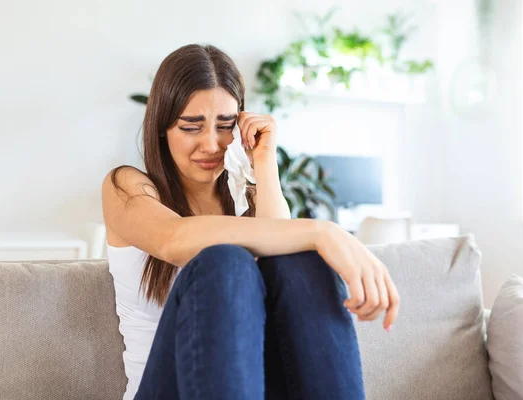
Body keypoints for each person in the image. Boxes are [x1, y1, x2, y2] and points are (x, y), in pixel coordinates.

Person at [101, 43, 400, 400]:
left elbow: (284, 267)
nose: (212, 144)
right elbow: (173, 239)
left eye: (225, 125)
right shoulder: (127, 187)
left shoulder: (247, 199)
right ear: (162, 128)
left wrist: (265, 160)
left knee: (297, 259)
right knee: (224, 259)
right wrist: (324, 231)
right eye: (191, 127)